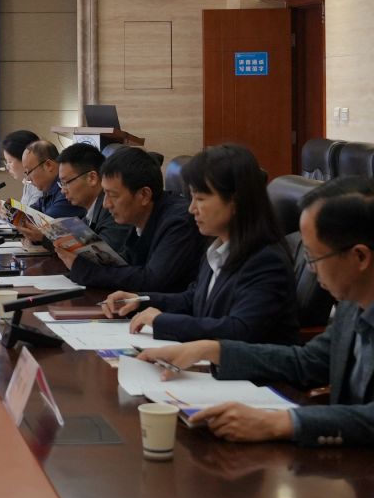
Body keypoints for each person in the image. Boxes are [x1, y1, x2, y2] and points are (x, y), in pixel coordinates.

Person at [143, 177, 374, 492]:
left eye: (314, 258)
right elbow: (309, 361)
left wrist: (281, 422)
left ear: (360, 257)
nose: (312, 271)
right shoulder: (357, 296)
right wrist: (213, 349)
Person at [101, 143, 295, 346]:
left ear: (235, 201)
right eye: (192, 198)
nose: (192, 209)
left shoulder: (266, 260)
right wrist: (138, 300)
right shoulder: (218, 247)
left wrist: (162, 322)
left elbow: (239, 329)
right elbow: (194, 298)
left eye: (200, 199)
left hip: (247, 366)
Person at [59, 145, 201, 294]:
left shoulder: (178, 222)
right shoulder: (139, 215)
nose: (106, 204)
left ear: (144, 195)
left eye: (113, 195)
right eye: (105, 194)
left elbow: (152, 280)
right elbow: (127, 263)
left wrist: (86, 271)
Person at [56, 142, 133, 249]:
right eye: (61, 183)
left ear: (92, 178)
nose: (63, 191)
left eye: (66, 182)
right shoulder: (90, 210)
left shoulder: (112, 209)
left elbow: (104, 254)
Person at [18, 140, 83, 219]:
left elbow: (47, 222)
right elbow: (30, 213)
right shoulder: (49, 189)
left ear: (48, 165)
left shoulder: (66, 190)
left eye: (29, 171)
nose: (28, 178)